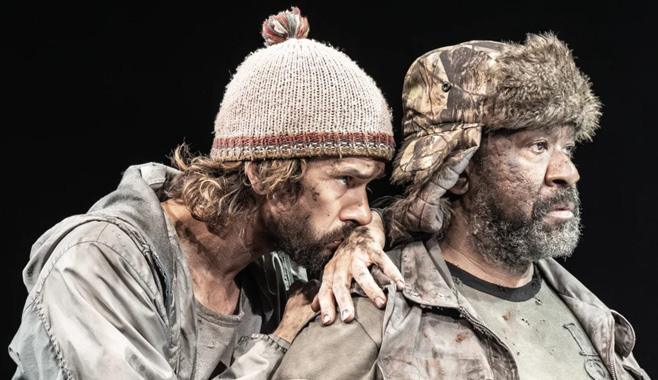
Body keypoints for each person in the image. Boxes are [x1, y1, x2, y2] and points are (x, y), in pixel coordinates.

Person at [8, 7, 404, 380]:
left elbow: (385, 222)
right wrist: (278, 343)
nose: (362, 212)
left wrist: (364, 242)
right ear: (270, 178)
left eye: (368, 186)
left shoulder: (276, 267)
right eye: (346, 181)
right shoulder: (97, 262)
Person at [271, 33, 651, 379]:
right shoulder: (376, 311)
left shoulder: (592, 318)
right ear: (459, 170)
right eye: (537, 145)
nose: (568, 172)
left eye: (566, 147)